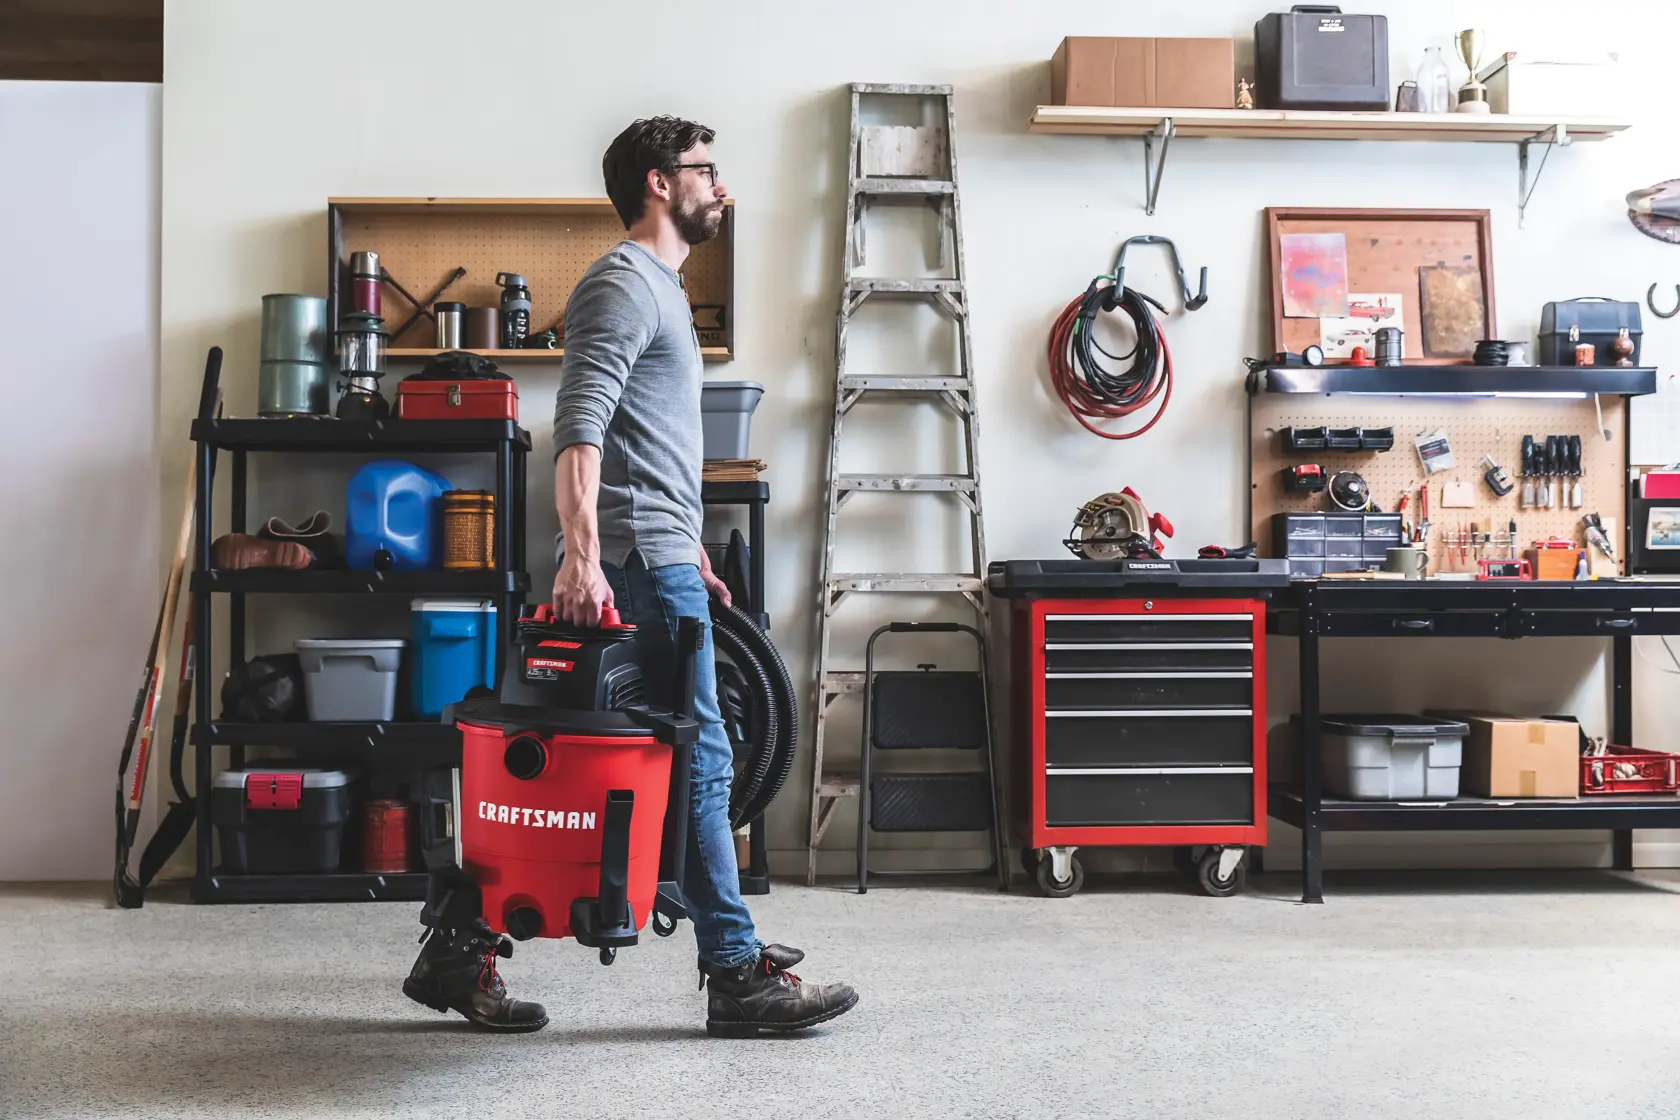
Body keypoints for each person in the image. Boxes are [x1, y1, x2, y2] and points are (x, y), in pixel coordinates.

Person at [403, 116, 858, 1038]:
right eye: (706, 171)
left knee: (605, 770)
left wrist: (688, 545)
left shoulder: (661, 290)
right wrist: (581, 555)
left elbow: (646, 445)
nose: (720, 186)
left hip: (659, 558)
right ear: (660, 183)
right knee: (696, 765)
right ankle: (735, 973)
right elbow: (580, 426)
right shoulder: (622, 284)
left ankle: (459, 951)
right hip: (634, 569)